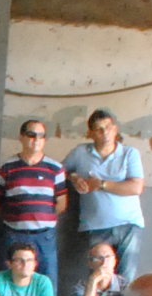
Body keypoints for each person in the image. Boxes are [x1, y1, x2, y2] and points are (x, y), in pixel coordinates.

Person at [63, 108, 147, 282]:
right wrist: (74, 177)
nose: (105, 133)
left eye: (108, 127)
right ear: (91, 133)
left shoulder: (129, 154)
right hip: (96, 226)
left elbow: (136, 188)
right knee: (98, 278)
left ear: (115, 129)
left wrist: (101, 184)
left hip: (128, 224)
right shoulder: (80, 152)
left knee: (126, 279)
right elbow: (59, 171)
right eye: (99, 129)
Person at [0, 119, 65, 279]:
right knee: (11, 281)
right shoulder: (7, 168)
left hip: (45, 236)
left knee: (47, 282)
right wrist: (15, 218)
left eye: (41, 136)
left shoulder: (55, 168)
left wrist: (40, 218)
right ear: (21, 137)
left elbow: (62, 203)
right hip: (15, 235)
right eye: (31, 135)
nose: (36, 139)